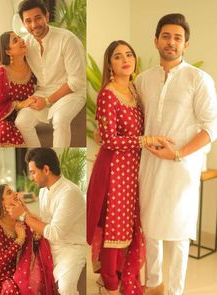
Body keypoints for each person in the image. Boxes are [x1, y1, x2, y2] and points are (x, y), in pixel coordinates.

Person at [135, 13, 217, 295]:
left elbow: (211, 127)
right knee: (152, 229)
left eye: (178, 38)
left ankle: (175, 292)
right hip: (149, 165)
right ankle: (153, 285)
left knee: (180, 235)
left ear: (186, 45)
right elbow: (134, 119)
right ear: (156, 40)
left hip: (182, 167)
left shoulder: (199, 79)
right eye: (166, 36)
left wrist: (179, 153)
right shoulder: (143, 80)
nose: (172, 42)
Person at [87, 40, 173, 295]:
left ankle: (123, 279)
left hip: (134, 169)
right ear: (109, 64)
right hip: (114, 170)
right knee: (115, 229)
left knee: (132, 226)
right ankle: (111, 285)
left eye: (129, 54)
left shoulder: (134, 91)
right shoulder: (107, 93)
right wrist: (146, 140)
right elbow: (110, 140)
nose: (125, 59)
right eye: (117, 56)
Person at [7, 148, 86, 295]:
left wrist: (24, 215)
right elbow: (45, 224)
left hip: (71, 248)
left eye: (33, 172)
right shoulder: (44, 190)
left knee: (65, 289)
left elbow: (54, 232)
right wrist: (24, 210)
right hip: (49, 247)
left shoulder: (69, 193)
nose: (31, 177)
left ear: (46, 169)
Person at [15, 0, 86, 147]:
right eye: (28, 21)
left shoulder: (67, 39)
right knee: (21, 122)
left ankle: (57, 158)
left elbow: (76, 81)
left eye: (38, 18)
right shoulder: (26, 45)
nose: (34, 25)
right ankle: (41, 155)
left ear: (47, 16)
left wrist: (47, 101)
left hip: (71, 92)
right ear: (23, 23)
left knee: (60, 119)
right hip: (42, 91)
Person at [0, 184, 57, 295]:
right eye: (9, 192)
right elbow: (0, 262)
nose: (16, 193)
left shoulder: (20, 220)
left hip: (16, 272)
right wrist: (20, 239)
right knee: (12, 290)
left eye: (13, 190)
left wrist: (36, 235)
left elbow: (31, 249)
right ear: (1, 202)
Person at [0, 31, 36, 147]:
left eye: (19, 37)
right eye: (15, 41)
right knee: (3, 129)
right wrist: (20, 104)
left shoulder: (32, 65)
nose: (21, 40)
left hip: (26, 113)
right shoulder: (1, 74)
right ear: (8, 51)